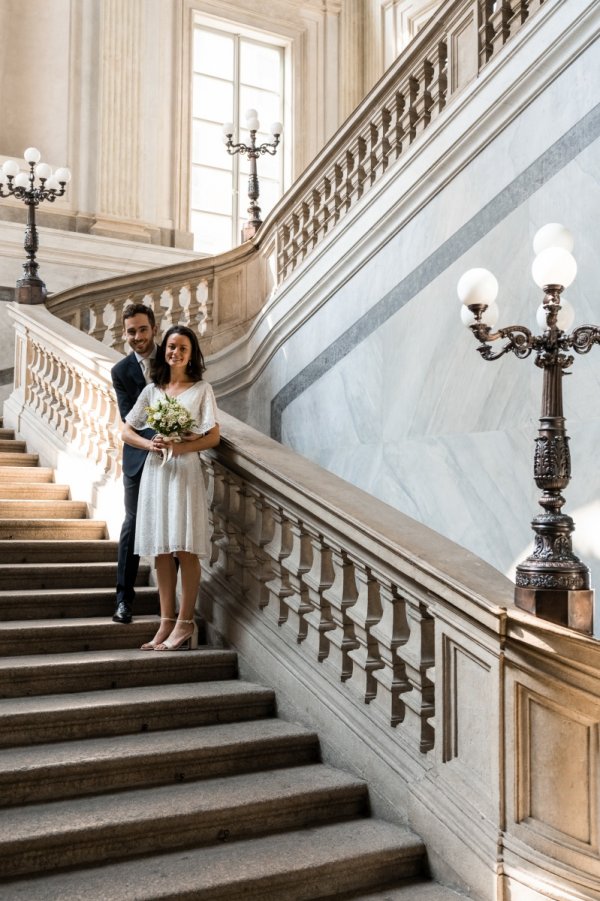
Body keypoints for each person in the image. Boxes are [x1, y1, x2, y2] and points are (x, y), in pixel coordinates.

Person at [121, 324, 220, 651]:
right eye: (171, 347)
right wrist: (150, 444)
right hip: (156, 472)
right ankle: (165, 623)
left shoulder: (201, 389)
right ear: (165, 350)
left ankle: (185, 623)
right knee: (162, 549)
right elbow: (126, 430)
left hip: (185, 472)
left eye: (182, 348)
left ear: (191, 356)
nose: (175, 352)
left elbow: (213, 436)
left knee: (184, 548)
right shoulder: (153, 390)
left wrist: (183, 446)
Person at [111, 303, 158, 624]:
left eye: (142, 329)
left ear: (154, 327)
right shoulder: (121, 371)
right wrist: (150, 443)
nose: (137, 336)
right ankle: (123, 600)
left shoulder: (173, 356)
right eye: (131, 331)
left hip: (174, 457)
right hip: (138, 458)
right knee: (132, 523)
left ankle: (175, 606)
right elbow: (129, 420)